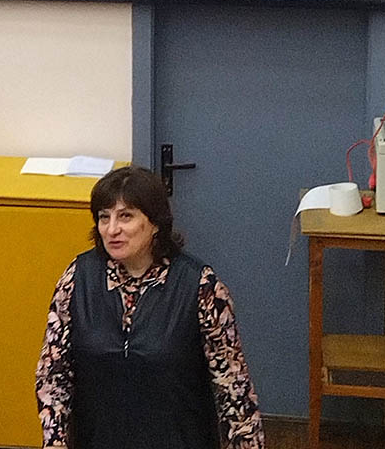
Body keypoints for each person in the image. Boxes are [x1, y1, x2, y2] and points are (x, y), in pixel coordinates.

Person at [35, 166, 264, 449]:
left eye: (126, 216)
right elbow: (53, 374)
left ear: (155, 223)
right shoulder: (77, 278)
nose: (112, 229)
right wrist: (55, 441)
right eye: (104, 217)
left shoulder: (199, 286)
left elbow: (234, 390)